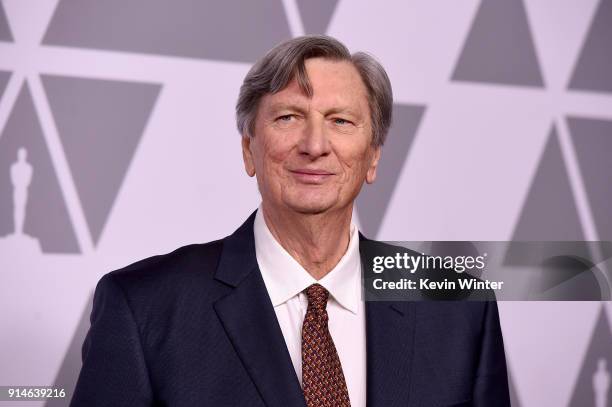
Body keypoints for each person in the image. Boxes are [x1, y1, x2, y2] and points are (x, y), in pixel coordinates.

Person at [70, 35, 510, 407]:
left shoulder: (458, 308)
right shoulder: (144, 306)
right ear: (249, 149)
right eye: (288, 117)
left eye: (340, 121)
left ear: (373, 156)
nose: (315, 145)